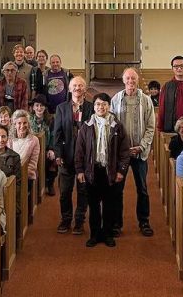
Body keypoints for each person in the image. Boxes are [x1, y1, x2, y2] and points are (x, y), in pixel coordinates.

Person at [75, 92, 131, 248]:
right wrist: (80, 170)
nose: (101, 107)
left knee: (109, 205)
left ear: (109, 106)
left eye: (104, 104)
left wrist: (121, 171)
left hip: (109, 171)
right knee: (93, 206)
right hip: (92, 171)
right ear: (94, 107)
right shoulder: (86, 126)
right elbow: (79, 151)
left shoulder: (117, 126)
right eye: (98, 104)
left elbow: (124, 152)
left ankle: (107, 234)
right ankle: (94, 235)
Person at [110, 67, 157, 237]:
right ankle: (116, 224)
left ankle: (144, 222)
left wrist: (142, 146)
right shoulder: (116, 100)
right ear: (123, 81)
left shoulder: (146, 100)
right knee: (117, 189)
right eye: (128, 79)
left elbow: (151, 127)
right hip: (121, 154)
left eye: (133, 79)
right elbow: (112, 126)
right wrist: (120, 149)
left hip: (139, 152)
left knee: (142, 189)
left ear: (137, 81)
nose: (130, 82)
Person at [53, 76, 92, 235]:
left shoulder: (91, 107)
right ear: (70, 89)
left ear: (85, 89)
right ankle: (66, 219)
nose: (77, 88)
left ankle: (80, 221)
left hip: (85, 157)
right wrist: (58, 154)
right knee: (65, 192)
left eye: (80, 86)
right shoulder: (61, 108)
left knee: (83, 191)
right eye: (74, 86)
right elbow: (57, 133)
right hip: (66, 155)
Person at [157, 55, 183, 133]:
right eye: (176, 66)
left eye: (182, 66)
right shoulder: (166, 87)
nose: (179, 68)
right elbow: (162, 109)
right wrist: (160, 128)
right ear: (172, 68)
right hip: (171, 128)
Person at [10, 110, 41, 207]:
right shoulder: (9, 140)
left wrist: (19, 177)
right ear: (14, 124)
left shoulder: (34, 140)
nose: (22, 126)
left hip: (27, 176)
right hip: (11, 176)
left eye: (25, 123)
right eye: (19, 123)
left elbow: (33, 164)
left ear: (28, 124)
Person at [0, 126, 23, 216]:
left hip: (7, 193)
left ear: (7, 138)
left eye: (3, 136)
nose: (1, 140)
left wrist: (6, 196)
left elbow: (17, 182)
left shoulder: (14, 157)